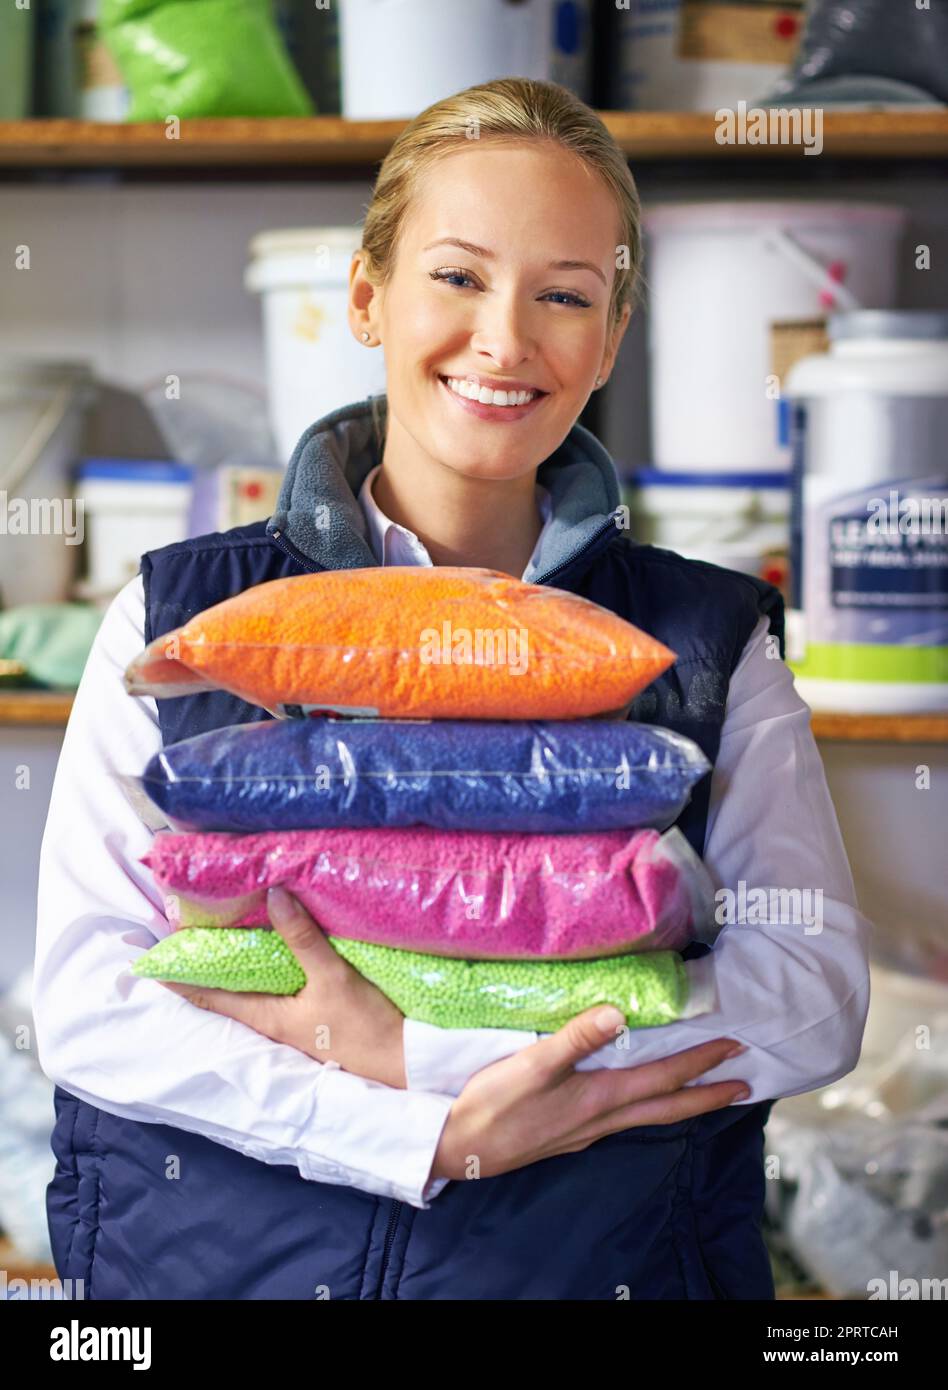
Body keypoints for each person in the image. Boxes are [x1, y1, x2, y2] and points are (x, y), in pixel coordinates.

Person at [34, 78, 870, 1300]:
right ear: (367, 297)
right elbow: (87, 997)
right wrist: (418, 1120)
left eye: (565, 295)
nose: (505, 340)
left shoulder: (705, 639)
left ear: (611, 336)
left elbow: (815, 992)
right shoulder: (181, 622)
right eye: (460, 277)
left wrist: (432, 1047)